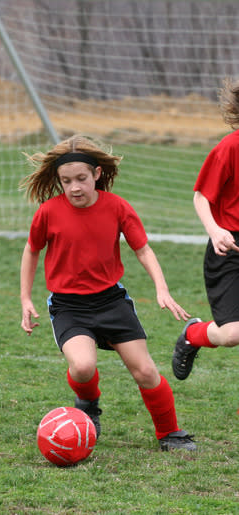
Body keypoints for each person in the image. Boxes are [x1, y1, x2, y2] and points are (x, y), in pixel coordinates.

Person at [19, 134, 196, 451]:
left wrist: (162, 289)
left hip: (111, 302)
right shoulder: (48, 212)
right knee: (83, 367)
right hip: (68, 306)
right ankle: (88, 405)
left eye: (81, 179)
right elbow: (31, 251)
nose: (74, 187)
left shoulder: (117, 207)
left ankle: (170, 433)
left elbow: (143, 250)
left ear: (97, 174)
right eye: (66, 181)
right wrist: (25, 299)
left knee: (144, 371)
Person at [172, 77, 239, 380]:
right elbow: (201, 196)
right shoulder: (230, 147)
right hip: (229, 247)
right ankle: (193, 334)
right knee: (231, 335)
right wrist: (214, 230)